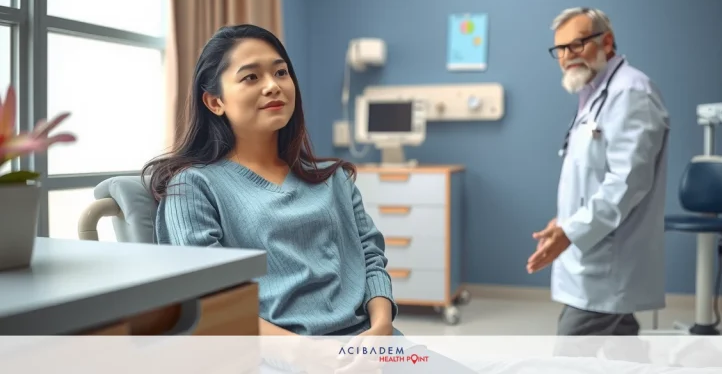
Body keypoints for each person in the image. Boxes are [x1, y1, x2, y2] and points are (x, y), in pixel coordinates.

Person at [144, 24, 476, 373]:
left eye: (280, 72)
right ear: (215, 101)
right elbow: (207, 302)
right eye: (251, 77)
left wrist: (380, 329)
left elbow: (371, 260)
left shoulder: (333, 178)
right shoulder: (192, 187)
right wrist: (303, 355)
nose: (273, 85)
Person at [526, 7, 670, 338]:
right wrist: (564, 220)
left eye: (576, 45)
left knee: (571, 354)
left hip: (608, 264)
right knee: (620, 350)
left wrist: (571, 231)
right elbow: (589, 176)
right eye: (560, 49)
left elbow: (626, 183)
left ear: (606, 41)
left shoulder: (631, 92)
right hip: (596, 256)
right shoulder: (595, 95)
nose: (566, 56)